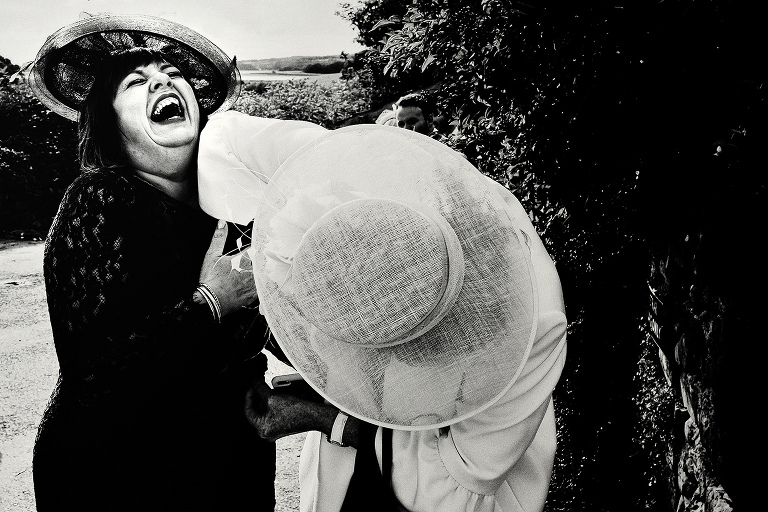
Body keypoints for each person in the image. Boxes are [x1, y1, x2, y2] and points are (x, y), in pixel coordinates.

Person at [195, 122, 567, 511]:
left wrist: (328, 419)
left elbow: (450, 497)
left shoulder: (530, 328)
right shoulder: (367, 193)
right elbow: (228, 139)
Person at [25, 13, 304, 511]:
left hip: (226, 469)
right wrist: (212, 301)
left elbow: (274, 331)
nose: (163, 81)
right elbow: (96, 373)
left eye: (173, 75)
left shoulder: (234, 214)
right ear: (110, 122)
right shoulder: (102, 199)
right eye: (137, 82)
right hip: (122, 479)